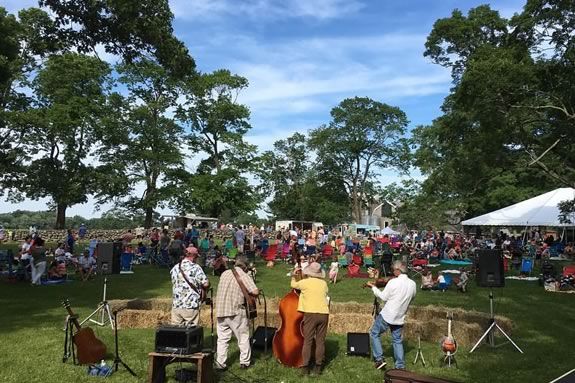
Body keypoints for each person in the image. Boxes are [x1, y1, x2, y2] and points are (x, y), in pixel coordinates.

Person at [367, 260, 416, 370]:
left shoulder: (394, 282)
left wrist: (373, 287)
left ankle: (379, 359)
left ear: (398, 270)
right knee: (397, 340)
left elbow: (383, 297)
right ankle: (400, 365)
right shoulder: (413, 284)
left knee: (374, 333)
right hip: (400, 315)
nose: (393, 272)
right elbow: (412, 299)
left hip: (388, 314)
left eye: (394, 270)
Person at [214, 257, 259, 370]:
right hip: (235, 310)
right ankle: (244, 362)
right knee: (243, 337)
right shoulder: (243, 275)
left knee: (222, 339)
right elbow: (255, 291)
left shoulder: (225, 273)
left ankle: (220, 363)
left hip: (221, 309)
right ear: (245, 267)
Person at [290, 262, 330, 376]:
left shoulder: (305, 282)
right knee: (320, 341)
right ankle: (318, 366)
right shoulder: (324, 284)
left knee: (307, 341)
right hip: (324, 313)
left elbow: (293, 285)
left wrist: (294, 275)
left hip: (310, 314)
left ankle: (305, 367)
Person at [170, 246, 209, 326]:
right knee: (191, 332)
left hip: (176, 304)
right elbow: (205, 284)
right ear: (194, 256)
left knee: (175, 331)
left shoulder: (175, 267)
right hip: (190, 304)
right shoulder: (195, 268)